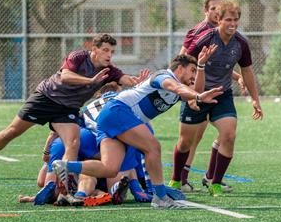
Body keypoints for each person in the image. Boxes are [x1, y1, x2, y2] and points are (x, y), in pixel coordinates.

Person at [0, 33, 148, 184]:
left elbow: (125, 79)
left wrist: (137, 82)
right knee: (11, 132)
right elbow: (65, 76)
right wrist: (90, 81)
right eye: (106, 50)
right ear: (94, 49)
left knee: (72, 143)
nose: (109, 55)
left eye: (112, 52)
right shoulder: (79, 57)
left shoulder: (109, 71)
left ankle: (66, 189)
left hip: (67, 109)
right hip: (46, 98)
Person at [52, 50, 222, 209]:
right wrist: (198, 96)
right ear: (180, 68)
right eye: (192, 71)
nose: (194, 76)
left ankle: (66, 166)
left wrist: (200, 68)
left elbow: (194, 94)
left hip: (111, 117)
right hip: (118, 111)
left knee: (110, 168)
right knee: (153, 147)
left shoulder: (180, 89)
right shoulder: (164, 76)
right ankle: (160, 197)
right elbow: (180, 89)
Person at [170, 0, 263, 197]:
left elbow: (247, 70)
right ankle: (176, 180)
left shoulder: (241, 44)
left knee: (228, 135)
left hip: (222, 95)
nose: (233, 23)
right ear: (218, 20)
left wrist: (255, 99)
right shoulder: (204, 39)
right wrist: (188, 92)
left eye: (236, 20)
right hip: (198, 93)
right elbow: (184, 63)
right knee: (186, 141)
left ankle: (215, 183)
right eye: (228, 19)